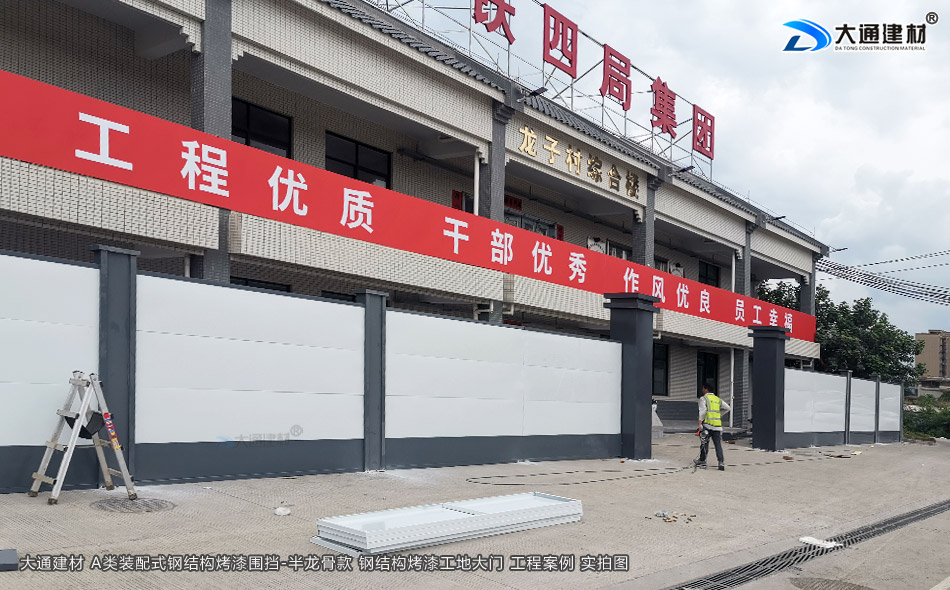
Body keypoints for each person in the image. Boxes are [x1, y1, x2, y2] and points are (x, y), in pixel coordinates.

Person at [695, 384, 731, 471]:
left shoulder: (704, 398)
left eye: (703, 388)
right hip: (717, 426)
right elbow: (728, 408)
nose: (702, 390)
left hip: (707, 425)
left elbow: (703, 411)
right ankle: (721, 462)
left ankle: (702, 461)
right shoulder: (717, 399)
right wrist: (719, 414)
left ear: (706, 389)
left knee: (704, 443)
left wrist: (700, 422)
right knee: (718, 445)